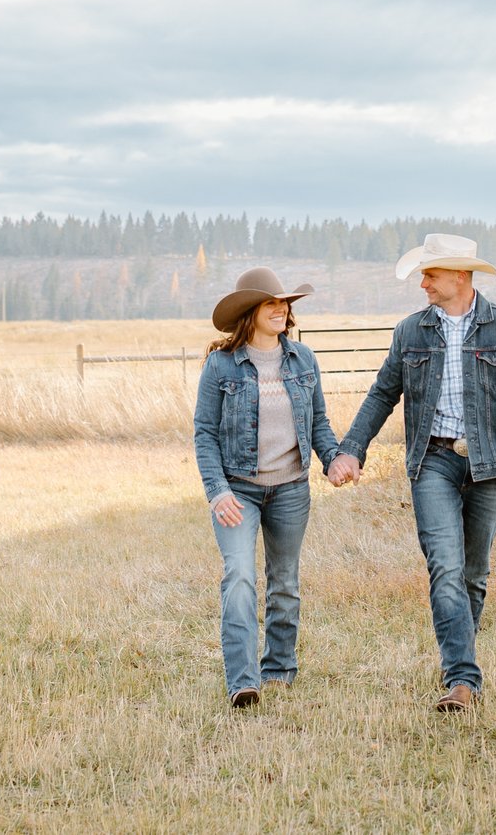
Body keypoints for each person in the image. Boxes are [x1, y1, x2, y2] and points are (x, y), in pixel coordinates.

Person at [330, 233, 496, 712]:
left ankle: (458, 661)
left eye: (430, 274)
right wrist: (351, 451)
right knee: (444, 566)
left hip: (490, 464)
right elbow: (382, 394)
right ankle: (463, 680)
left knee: (474, 574)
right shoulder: (410, 332)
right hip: (433, 461)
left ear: (460, 277)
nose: (422, 283)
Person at [191, 266, 345, 708]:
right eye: (272, 303)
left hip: (291, 490)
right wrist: (217, 491)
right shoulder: (221, 365)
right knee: (238, 576)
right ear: (250, 312)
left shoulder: (303, 359)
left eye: (285, 303)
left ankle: (278, 668)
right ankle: (244, 680)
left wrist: (333, 460)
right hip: (237, 491)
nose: (282, 309)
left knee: (284, 582)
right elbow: (204, 432)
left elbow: (318, 422)